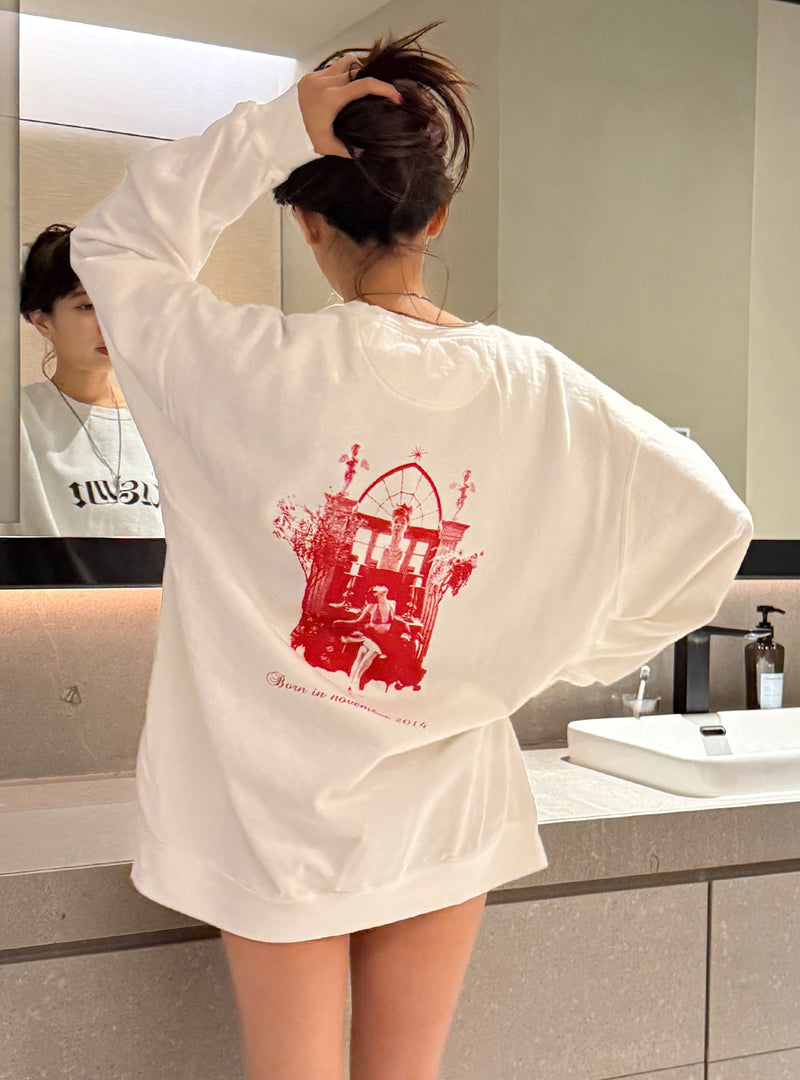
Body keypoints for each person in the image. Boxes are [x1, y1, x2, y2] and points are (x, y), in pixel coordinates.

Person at [70, 24, 752, 1080]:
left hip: (267, 810)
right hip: (443, 793)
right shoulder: (538, 389)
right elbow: (709, 521)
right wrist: (552, 649)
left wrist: (273, 129)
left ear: (305, 223)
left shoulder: (237, 366)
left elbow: (116, 248)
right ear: (436, 217)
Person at [4, 224, 162, 536]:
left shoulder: (163, 424)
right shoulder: (17, 423)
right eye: (86, 306)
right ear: (42, 321)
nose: (107, 323)